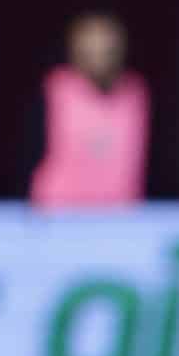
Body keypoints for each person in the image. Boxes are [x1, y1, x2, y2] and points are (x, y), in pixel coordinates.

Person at [28, 11, 148, 209]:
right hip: (60, 212)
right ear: (74, 48)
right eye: (90, 45)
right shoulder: (56, 88)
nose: (99, 53)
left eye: (107, 47)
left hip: (121, 214)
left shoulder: (135, 92)